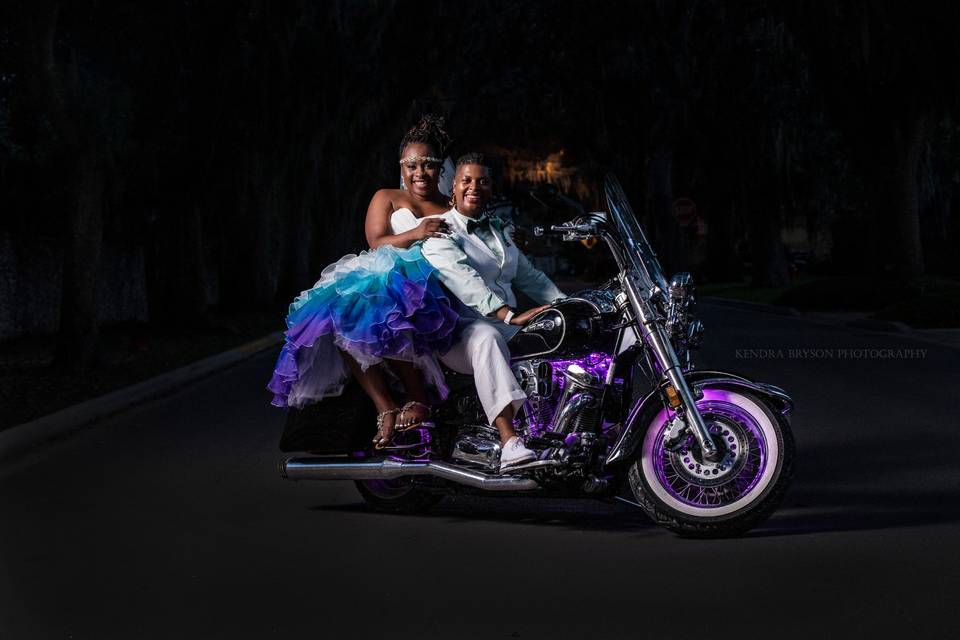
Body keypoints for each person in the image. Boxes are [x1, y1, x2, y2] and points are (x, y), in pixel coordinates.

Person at [267, 115, 457, 448]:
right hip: (388, 271)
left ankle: (418, 398)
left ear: (441, 168)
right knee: (346, 312)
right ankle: (386, 406)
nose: (419, 172)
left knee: (387, 307)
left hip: (434, 278)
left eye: (428, 165)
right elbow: (376, 241)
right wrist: (416, 232)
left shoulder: (449, 204)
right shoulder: (387, 196)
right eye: (411, 165)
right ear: (402, 167)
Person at [421, 153, 567, 471]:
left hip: (506, 323)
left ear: (491, 189)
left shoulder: (501, 231)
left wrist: (567, 306)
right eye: (467, 180)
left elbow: (531, 277)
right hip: (461, 330)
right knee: (486, 337)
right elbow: (465, 281)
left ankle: (559, 432)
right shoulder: (440, 232)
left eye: (483, 181)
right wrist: (507, 314)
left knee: (560, 341)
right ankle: (509, 441)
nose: (475, 186)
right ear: (453, 188)